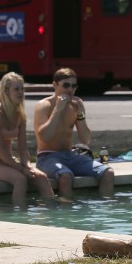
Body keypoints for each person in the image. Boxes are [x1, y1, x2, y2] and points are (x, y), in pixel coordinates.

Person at [34, 68, 114, 200]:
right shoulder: (44, 105)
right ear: (55, 85)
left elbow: (85, 140)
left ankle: (106, 208)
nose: (70, 90)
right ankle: (67, 211)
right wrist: (57, 110)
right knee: (65, 176)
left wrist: (80, 114)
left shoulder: (75, 106)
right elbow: (44, 137)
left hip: (70, 155)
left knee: (107, 172)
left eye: (74, 86)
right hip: (47, 157)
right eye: (66, 85)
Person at [0, 72, 55, 206]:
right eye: (16, 89)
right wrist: (21, 169)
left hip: (7, 160)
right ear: (6, 91)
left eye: (22, 88)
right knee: (20, 179)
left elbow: (23, 148)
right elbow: (0, 150)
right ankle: (19, 214)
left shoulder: (20, 115)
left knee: (41, 177)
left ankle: (53, 211)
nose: (21, 92)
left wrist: (28, 166)